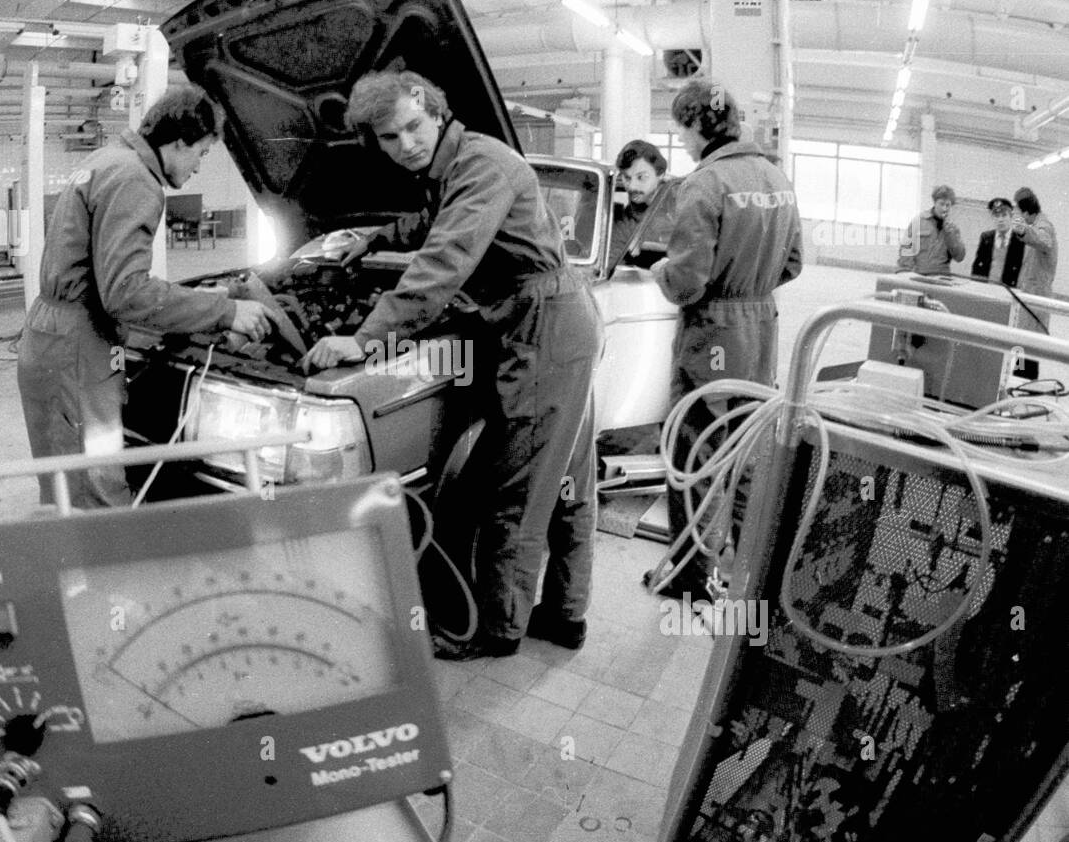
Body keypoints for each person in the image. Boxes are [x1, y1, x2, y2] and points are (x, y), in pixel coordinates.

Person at [304, 70, 602, 659]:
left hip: (542, 326)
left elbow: (445, 258)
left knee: (515, 488)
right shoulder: (452, 167)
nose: (406, 144)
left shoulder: (484, 164)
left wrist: (366, 338)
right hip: (549, 322)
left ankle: (496, 630)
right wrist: (373, 239)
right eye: (390, 138)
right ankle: (565, 615)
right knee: (565, 479)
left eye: (413, 127)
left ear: (435, 112)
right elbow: (431, 222)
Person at [16, 87, 272, 508]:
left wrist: (191, 299)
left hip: (52, 333)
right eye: (201, 155)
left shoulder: (109, 159)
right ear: (178, 143)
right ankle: (107, 568)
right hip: (78, 344)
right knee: (98, 488)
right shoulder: (137, 180)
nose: (197, 170)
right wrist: (225, 311)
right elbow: (126, 293)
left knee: (64, 478)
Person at [646, 78, 803, 606]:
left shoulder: (705, 185)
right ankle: (745, 564)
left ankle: (692, 579)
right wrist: (750, 289)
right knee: (746, 453)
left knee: (696, 455)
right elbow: (795, 263)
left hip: (712, 334)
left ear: (696, 125)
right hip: (760, 334)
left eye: (682, 130)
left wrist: (663, 272)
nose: (684, 143)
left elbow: (687, 281)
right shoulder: (777, 178)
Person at [607, 138, 680, 274]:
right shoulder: (623, 223)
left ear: (661, 175)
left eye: (641, 177)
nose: (632, 186)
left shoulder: (684, 205)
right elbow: (612, 267)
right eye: (627, 178)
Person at [1009, 186, 1058, 378]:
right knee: (1022, 342)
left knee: (1028, 344)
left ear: (1027, 212)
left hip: (1036, 297)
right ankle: (1021, 378)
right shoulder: (1037, 224)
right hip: (1028, 294)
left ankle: (1026, 382)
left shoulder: (1044, 225)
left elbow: (1044, 241)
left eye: (1020, 213)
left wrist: (1024, 231)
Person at [897, 185, 965, 274]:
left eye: (948, 205)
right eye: (941, 204)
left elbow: (959, 257)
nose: (944, 208)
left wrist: (951, 235)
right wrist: (905, 272)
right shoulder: (919, 221)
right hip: (918, 275)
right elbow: (906, 249)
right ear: (935, 202)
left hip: (942, 277)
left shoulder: (953, 229)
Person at [971, 197, 1024, 285]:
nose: (1000, 220)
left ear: (1011, 216)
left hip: (1008, 290)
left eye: (1004, 215)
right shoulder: (986, 238)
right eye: (997, 216)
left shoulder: (1019, 240)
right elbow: (977, 266)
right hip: (986, 288)